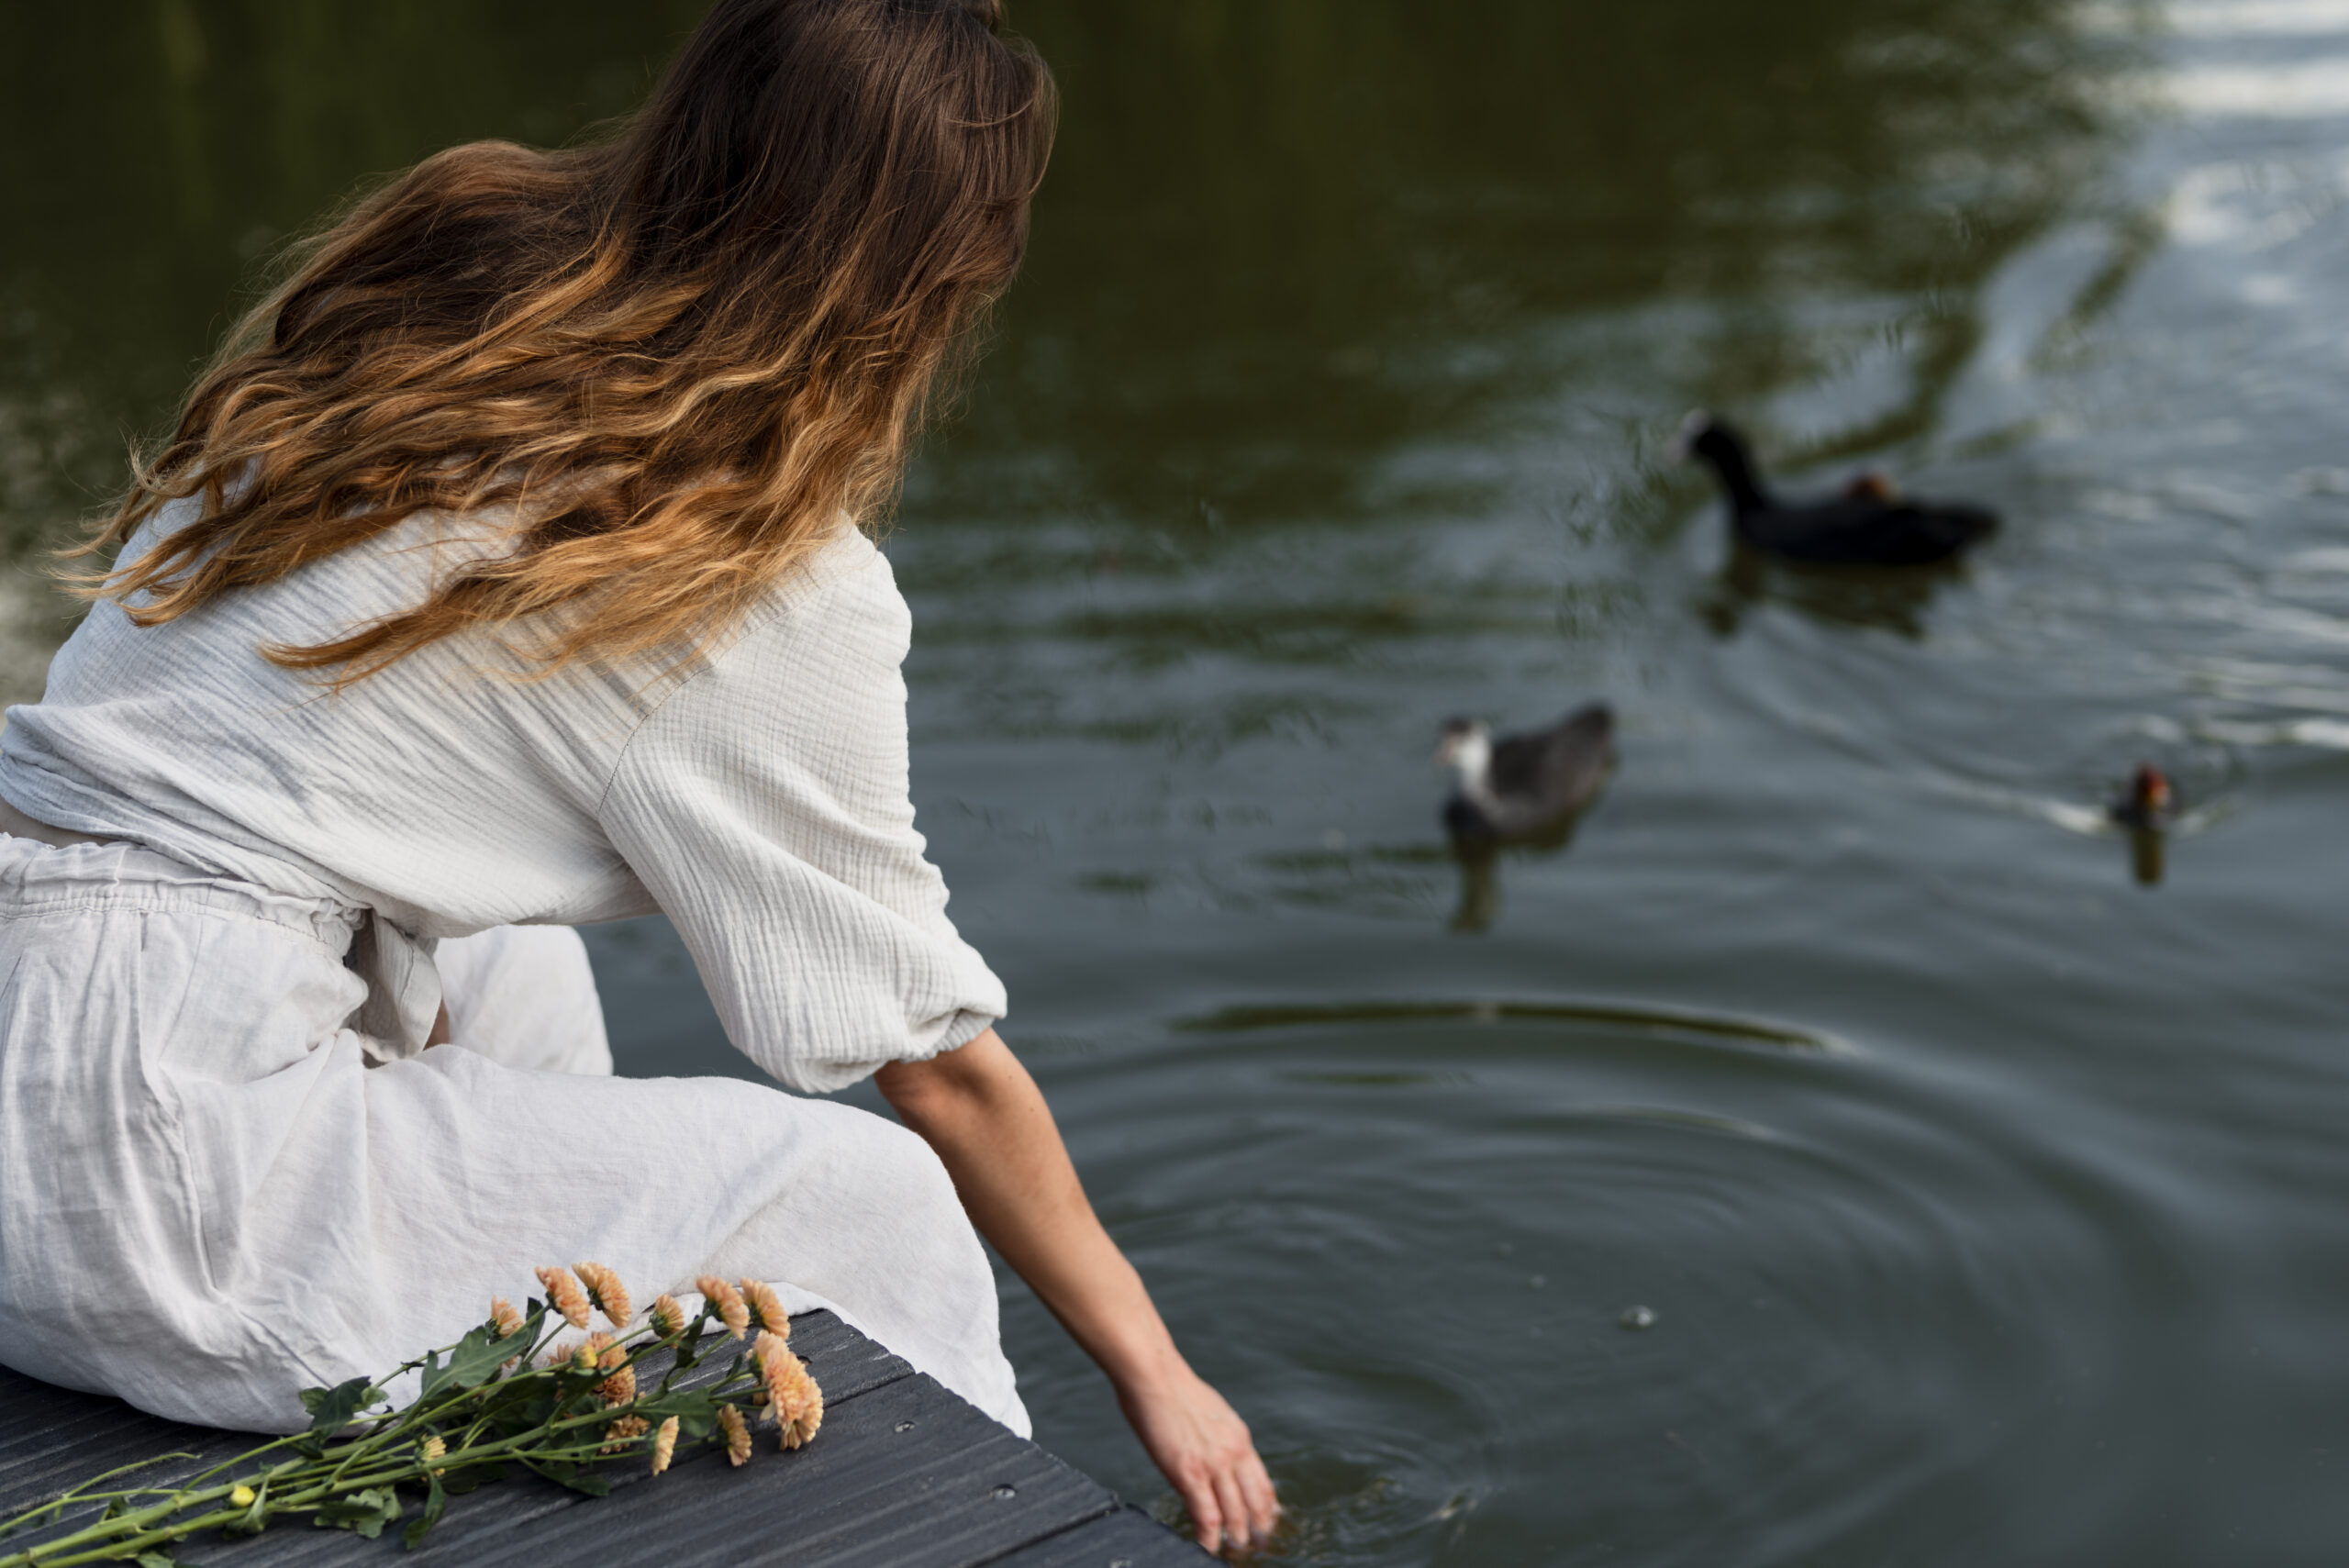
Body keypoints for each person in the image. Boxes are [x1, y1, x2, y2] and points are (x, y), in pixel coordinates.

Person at [0, 0, 1277, 1551]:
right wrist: (1164, 1375)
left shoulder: (456, 279)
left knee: (519, 956)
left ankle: (580, 1404)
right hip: (160, 1173)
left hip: (38, 1020)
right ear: (935, 278)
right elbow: (929, 1062)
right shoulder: (747, 573)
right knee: (870, 1196)